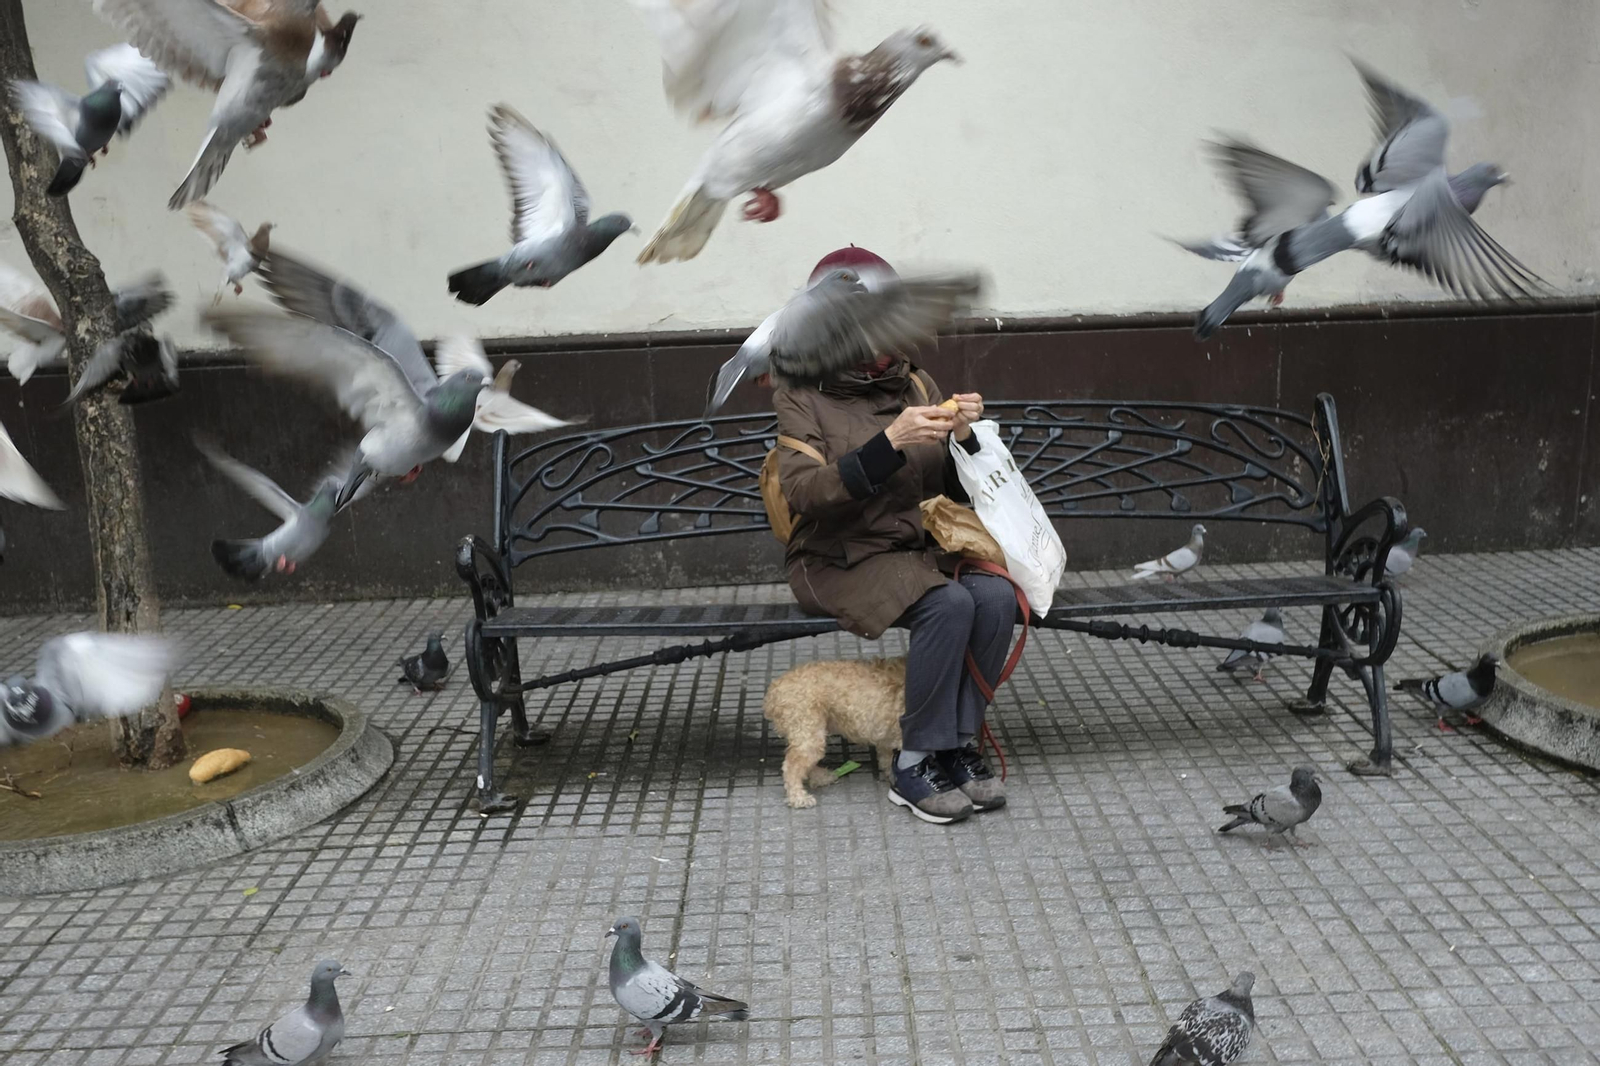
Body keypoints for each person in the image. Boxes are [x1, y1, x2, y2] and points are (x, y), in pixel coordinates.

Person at [774, 246, 1017, 825]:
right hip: (836, 556)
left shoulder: (915, 382)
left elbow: (953, 491)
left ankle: (955, 743)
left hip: (911, 547)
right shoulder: (800, 393)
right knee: (948, 604)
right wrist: (889, 444)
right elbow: (805, 493)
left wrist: (968, 437)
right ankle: (912, 764)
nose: (891, 338)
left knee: (997, 597)